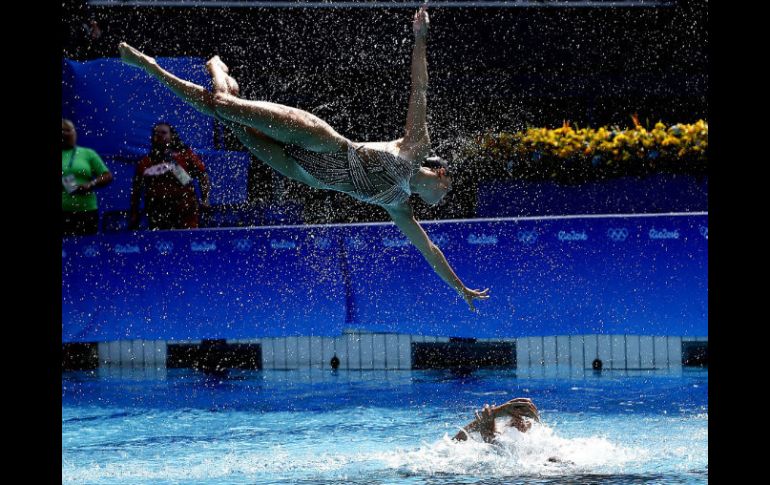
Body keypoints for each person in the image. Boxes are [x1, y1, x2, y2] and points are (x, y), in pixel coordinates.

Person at [117, 6, 490, 311]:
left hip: (300, 171)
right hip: (320, 140)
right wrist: (420, 39)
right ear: (441, 174)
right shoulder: (415, 147)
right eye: (448, 191)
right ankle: (160, 66)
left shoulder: (399, 207)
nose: (444, 201)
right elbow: (419, 88)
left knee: (225, 114)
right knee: (225, 105)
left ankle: (212, 76)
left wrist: (460, 288)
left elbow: (431, 252)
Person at [128, 122, 211, 231]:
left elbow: (201, 176)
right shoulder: (145, 162)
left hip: (185, 211)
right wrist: (134, 213)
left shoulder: (185, 154)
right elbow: (136, 189)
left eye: (163, 133)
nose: (159, 136)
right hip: (157, 212)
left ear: (172, 136)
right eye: (156, 133)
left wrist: (205, 198)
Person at [62, 118, 113, 236]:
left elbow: (107, 175)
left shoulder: (87, 153)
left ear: (74, 132)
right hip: (63, 211)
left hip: (86, 211)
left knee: (87, 247)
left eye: (68, 130)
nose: (64, 134)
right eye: (62, 131)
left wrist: (91, 184)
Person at [453, 398, 540, 444]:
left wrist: (495, 413)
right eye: (515, 416)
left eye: (525, 419)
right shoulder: (501, 432)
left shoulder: (537, 445)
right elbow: (453, 442)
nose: (519, 421)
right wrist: (496, 413)